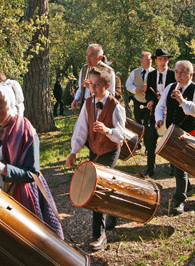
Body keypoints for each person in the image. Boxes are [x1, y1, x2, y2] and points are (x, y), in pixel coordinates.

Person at [0, 83, 64, 265]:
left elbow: (32, 173)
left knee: (15, 247)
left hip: (18, 196)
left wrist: (2, 167)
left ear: (9, 106)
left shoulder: (25, 130)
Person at [65, 65, 126, 251]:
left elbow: (121, 135)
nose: (93, 88)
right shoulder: (88, 103)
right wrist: (74, 151)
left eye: (98, 85)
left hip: (110, 150)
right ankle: (113, 216)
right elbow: (81, 128)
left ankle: (99, 235)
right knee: (106, 187)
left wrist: (107, 131)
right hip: (94, 148)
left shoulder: (116, 106)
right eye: (91, 84)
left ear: (107, 86)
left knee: (97, 188)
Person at [154, 60, 195, 215]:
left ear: (190, 74)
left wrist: (183, 101)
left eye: (182, 72)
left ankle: (180, 199)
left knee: (181, 166)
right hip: (173, 132)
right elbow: (160, 106)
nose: (178, 75)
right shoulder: (170, 87)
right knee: (177, 165)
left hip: (190, 133)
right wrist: (159, 118)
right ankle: (186, 185)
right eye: (177, 71)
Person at [144, 48, 176, 177]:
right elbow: (148, 94)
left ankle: (174, 168)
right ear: (156, 61)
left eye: (165, 59)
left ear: (168, 60)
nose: (163, 62)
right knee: (151, 139)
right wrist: (150, 101)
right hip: (156, 112)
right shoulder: (151, 75)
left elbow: (176, 92)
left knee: (171, 141)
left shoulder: (173, 74)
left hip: (171, 112)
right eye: (160, 59)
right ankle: (150, 168)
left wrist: (165, 98)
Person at [71, 43, 116, 110]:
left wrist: (90, 86)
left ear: (100, 57)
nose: (88, 58)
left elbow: (111, 94)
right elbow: (81, 88)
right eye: (87, 55)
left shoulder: (108, 71)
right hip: (86, 106)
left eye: (92, 55)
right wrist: (76, 99)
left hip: (101, 107)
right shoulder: (84, 69)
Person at [125, 51, 154, 127]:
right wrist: (135, 89)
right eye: (147, 59)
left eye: (150, 59)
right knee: (138, 124)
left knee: (147, 124)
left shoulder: (155, 73)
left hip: (150, 103)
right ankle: (139, 138)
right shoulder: (134, 72)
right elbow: (128, 85)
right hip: (138, 102)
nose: (149, 61)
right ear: (141, 60)